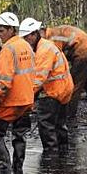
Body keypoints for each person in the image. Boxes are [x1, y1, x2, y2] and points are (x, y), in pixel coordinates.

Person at [0, 12, 35, 173]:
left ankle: (5, 167)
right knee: (20, 134)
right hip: (27, 100)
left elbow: (5, 81)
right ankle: (18, 168)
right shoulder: (26, 46)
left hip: (11, 101)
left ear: (11, 30)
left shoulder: (8, 50)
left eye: (1, 31)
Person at [19, 18, 73, 152]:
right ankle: (63, 155)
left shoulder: (43, 50)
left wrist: (26, 97)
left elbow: (38, 79)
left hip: (54, 91)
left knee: (46, 124)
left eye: (26, 37)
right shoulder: (46, 45)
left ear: (34, 34)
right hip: (64, 89)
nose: (25, 41)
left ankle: (50, 156)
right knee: (60, 124)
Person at [40, 25, 87, 119]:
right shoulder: (56, 32)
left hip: (83, 53)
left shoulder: (52, 38)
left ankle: (69, 115)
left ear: (42, 31)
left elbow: (56, 60)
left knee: (73, 86)